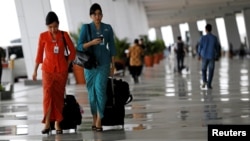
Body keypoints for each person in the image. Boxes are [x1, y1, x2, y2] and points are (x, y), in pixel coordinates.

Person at [32, 11, 76, 134]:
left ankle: (57, 122)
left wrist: (66, 66)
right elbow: (39, 55)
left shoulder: (64, 35)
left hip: (61, 72)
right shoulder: (43, 36)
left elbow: (72, 52)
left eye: (55, 26)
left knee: (58, 97)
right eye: (50, 27)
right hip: (47, 70)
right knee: (47, 96)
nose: (53, 29)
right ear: (47, 26)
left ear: (58, 24)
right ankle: (47, 123)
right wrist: (35, 71)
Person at [77, 3, 116, 132]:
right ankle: (94, 117)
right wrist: (91, 43)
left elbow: (112, 46)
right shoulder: (86, 28)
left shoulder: (107, 28)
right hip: (89, 65)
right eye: (95, 14)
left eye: (99, 14)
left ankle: (100, 118)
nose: (97, 16)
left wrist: (113, 65)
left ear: (102, 15)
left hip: (104, 63)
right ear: (91, 16)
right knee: (91, 93)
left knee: (100, 89)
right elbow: (79, 46)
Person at [198, 24, 220, 90]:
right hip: (212, 56)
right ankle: (209, 85)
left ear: (206, 29)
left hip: (204, 55)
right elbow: (217, 47)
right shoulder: (214, 38)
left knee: (203, 69)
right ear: (211, 29)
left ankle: (204, 81)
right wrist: (217, 55)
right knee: (211, 70)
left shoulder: (202, 37)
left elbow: (200, 47)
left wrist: (199, 54)